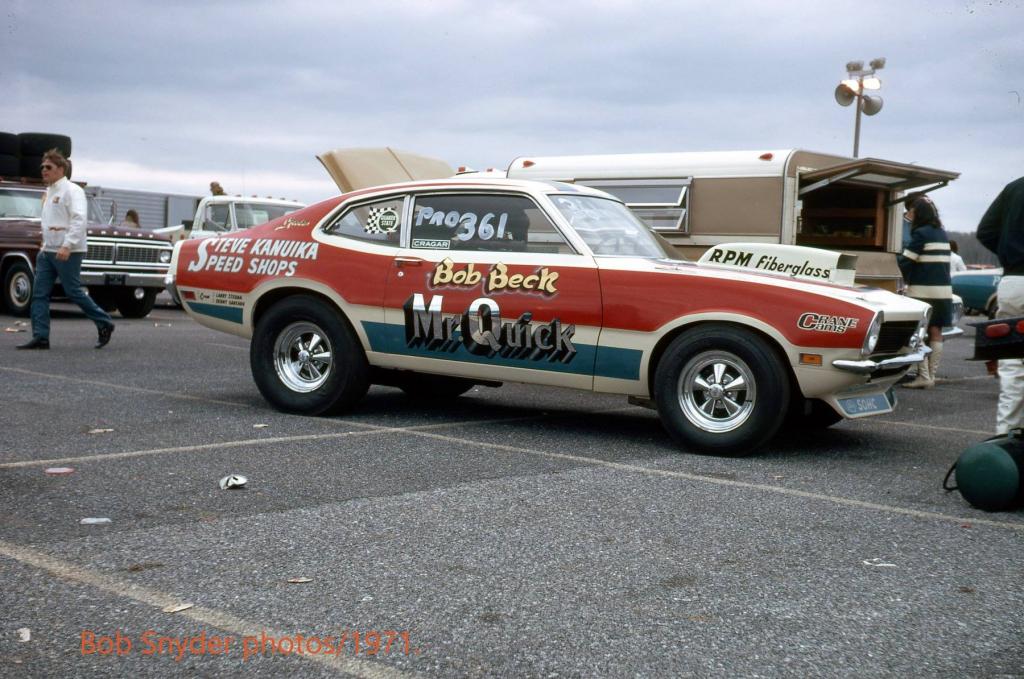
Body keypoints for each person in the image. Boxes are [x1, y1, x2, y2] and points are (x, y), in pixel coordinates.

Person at [17, 149, 115, 350]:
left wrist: (67, 245)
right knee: (39, 294)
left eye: (49, 167)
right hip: (48, 251)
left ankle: (104, 321)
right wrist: (45, 246)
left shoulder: (72, 191)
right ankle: (40, 336)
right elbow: (50, 221)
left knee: (73, 291)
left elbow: (79, 220)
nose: (44, 170)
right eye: (42, 167)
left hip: (68, 251)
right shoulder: (49, 192)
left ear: (61, 169)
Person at [977, 176, 1024, 434]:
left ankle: (1006, 437)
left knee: (1013, 366)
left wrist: (1011, 253)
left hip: (1014, 282)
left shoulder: (1014, 187)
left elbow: (985, 231)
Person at [897, 193, 953, 389]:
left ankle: (923, 376)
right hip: (943, 291)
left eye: (912, 211)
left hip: (923, 290)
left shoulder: (921, 233)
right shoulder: (941, 233)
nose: (910, 214)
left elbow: (906, 261)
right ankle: (932, 375)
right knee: (936, 331)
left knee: (917, 332)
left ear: (919, 213)